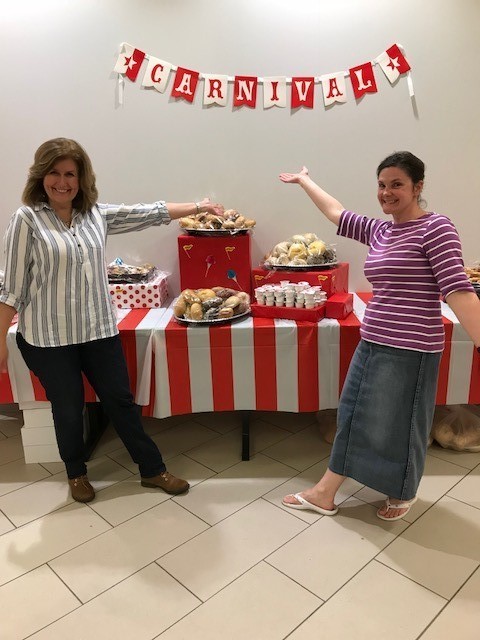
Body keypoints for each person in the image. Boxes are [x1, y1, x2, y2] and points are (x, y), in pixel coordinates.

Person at [0, 137, 224, 503]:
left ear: (81, 177)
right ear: (40, 176)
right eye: (53, 173)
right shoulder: (26, 220)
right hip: (48, 338)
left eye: (70, 173)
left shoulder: (94, 214)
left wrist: (200, 206)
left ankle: (152, 469)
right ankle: (76, 474)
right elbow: (10, 288)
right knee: (69, 408)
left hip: (97, 329)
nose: (62, 182)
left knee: (120, 400)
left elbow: (148, 212)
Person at [279, 152, 480, 521]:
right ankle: (325, 491)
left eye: (397, 185)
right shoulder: (381, 230)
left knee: (400, 424)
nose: (387, 193)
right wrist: (305, 180)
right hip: (372, 340)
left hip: (411, 348)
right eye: (382, 185)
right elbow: (336, 212)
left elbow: (459, 290)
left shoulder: (436, 228)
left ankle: (401, 492)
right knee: (353, 415)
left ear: (418, 187)